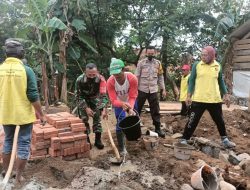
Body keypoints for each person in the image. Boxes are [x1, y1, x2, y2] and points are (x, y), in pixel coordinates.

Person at [0, 39, 46, 183]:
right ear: (21, 53)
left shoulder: (0, 69)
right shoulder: (26, 70)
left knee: (7, 141)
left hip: (6, 113)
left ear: (6, 53)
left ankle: (7, 172)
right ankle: (18, 177)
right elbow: (33, 95)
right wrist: (41, 114)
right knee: (24, 144)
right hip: (23, 115)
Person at [181, 46, 236, 148]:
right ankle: (184, 139)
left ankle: (225, 140)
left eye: (205, 55)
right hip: (199, 99)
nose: (203, 57)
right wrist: (189, 95)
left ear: (211, 55)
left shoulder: (217, 65)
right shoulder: (197, 65)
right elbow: (192, 80)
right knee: (192, 120)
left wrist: (225, 94)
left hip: (214, 99)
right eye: (202, 54)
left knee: (220, 120)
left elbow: (220, 81)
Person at [107, 58, 138, 155]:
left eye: (118, 73)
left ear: (124, 70)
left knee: (133, 118)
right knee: (120, 123)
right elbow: (113, 100)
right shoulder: (110, 82)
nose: (116, 76)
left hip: (130, 100)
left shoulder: (132, 78)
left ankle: (133, 137)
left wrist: (130, 108)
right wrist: (122, 104)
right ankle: (122, 148)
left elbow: (133, 96)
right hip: (118, 103)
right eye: (114, 74)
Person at [75, 63, 108, 149]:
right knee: (84, 119)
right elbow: (78, 96)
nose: (92, 76)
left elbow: (103, 95)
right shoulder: (79, 80)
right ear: (85, 72)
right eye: (89, 75)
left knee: (97, 118)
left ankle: (98, 140)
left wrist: (104, 109)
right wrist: (86, 108)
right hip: (83, 99)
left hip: (95, 98)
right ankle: (87, 140)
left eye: (94, 74)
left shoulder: (101, 79)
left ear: (97, 71)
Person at [135, 46, 166, 138]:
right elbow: (136, 76)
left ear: (155, 53)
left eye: (152, 54)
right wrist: (134, 90)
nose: (150, 55)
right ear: (146, 53)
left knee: (155, 110)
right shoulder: (141, 63)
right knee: (137, 109)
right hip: (142, 89)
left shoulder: (158, 63)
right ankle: (136, 128)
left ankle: (157, 128)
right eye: (149, 53)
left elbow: (160, 77)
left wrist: (163, 89)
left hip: (153, 90)